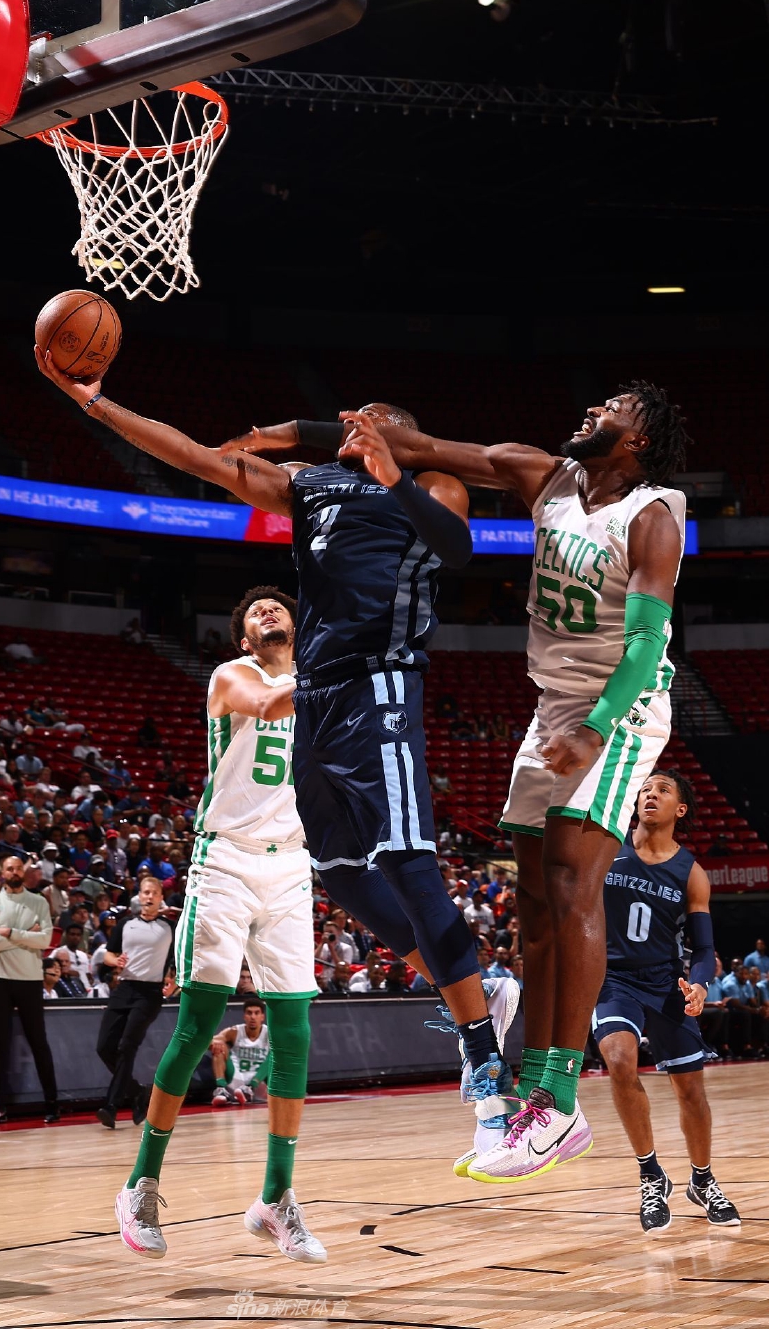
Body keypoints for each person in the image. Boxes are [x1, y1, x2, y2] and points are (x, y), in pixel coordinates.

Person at [37, 360, 514, 1178]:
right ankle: (470, 986)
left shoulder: (433, 483)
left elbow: (458, 548)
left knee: (407, 862)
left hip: (381, 684)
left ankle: (486, 1066)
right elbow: (197, 456)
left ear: (400, 433)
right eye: (348, 419)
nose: (350, 425)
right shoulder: (311, 484)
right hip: (318, 699)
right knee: (344, 876)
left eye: (368, 418)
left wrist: (394, 473)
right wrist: (97, 403)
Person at [311, 385, 688, 1182]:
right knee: (535, 902)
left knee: (572, 879)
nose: (593, 408)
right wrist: (357, 433)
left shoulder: (653, 514)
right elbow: (423, 448)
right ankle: (538, 1090)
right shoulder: (540, 473)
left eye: (614, 407)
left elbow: (645, 644)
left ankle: (560, 1098)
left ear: (640, 440)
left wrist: (597, 727)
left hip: (621, 704)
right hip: (554, 706)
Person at [102, 586, 324, 1263]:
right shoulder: (234, 676)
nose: (267, 611)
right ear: (243, 638)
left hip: (292, 864)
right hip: (225, 859)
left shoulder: (317, 686)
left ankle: (276, 1197)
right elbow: (269, 705)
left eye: (278, 607)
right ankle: (140, 1184)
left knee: (295, 1032)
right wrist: (337, 669)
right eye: (255, 611)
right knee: (198, 1023)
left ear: (296, 626)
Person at [591, 770, 740, 1230]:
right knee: (620, 1061)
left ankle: (702, 1178)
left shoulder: (691, 873)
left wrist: (700, 984)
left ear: (680, 809)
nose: (650, 794)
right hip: (613, 979)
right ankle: (650, 1174)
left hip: (665, 983)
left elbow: (704, 947)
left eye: (662, 789)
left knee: (691, 1091)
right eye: (645, 789)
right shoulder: (605, 848)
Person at [0, 853, 60, 1125]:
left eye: (17, 868)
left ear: (23, 872)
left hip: (29, 979)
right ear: (2, 873)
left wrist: (11, 933)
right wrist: (28, 935)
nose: (14, 872)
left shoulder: (38, 901)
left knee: (38, 1042)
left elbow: (46, 940)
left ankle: (52, 1103)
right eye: (9, 868)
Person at [94, 875, 175, 1128]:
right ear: (139, 896)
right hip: (124, 987)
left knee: (127, 1046)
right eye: (145, 892)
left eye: (154, 893)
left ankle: (111, 1105)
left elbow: (180, 959)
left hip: (149, 993)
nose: (149, 897)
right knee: (104, 1047)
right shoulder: (125, 924)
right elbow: (109, 954)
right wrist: (114, 961)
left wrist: (175, 981)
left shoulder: (169, 927)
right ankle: (137, 1092)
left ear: (161, 898)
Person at [211, 998, 272, 1105]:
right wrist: (215, 1044)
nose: (253, 1017)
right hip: (236, 1078)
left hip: (259, 1083)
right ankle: (221, 1090)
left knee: (275, 1054)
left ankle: (250, 1088)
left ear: (262, 1017)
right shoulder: (234, 1031)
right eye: (249, 1013)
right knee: (219, 1047)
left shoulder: (269, 1033)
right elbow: (209, 1041)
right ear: (244, 1016)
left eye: (256, 1013)